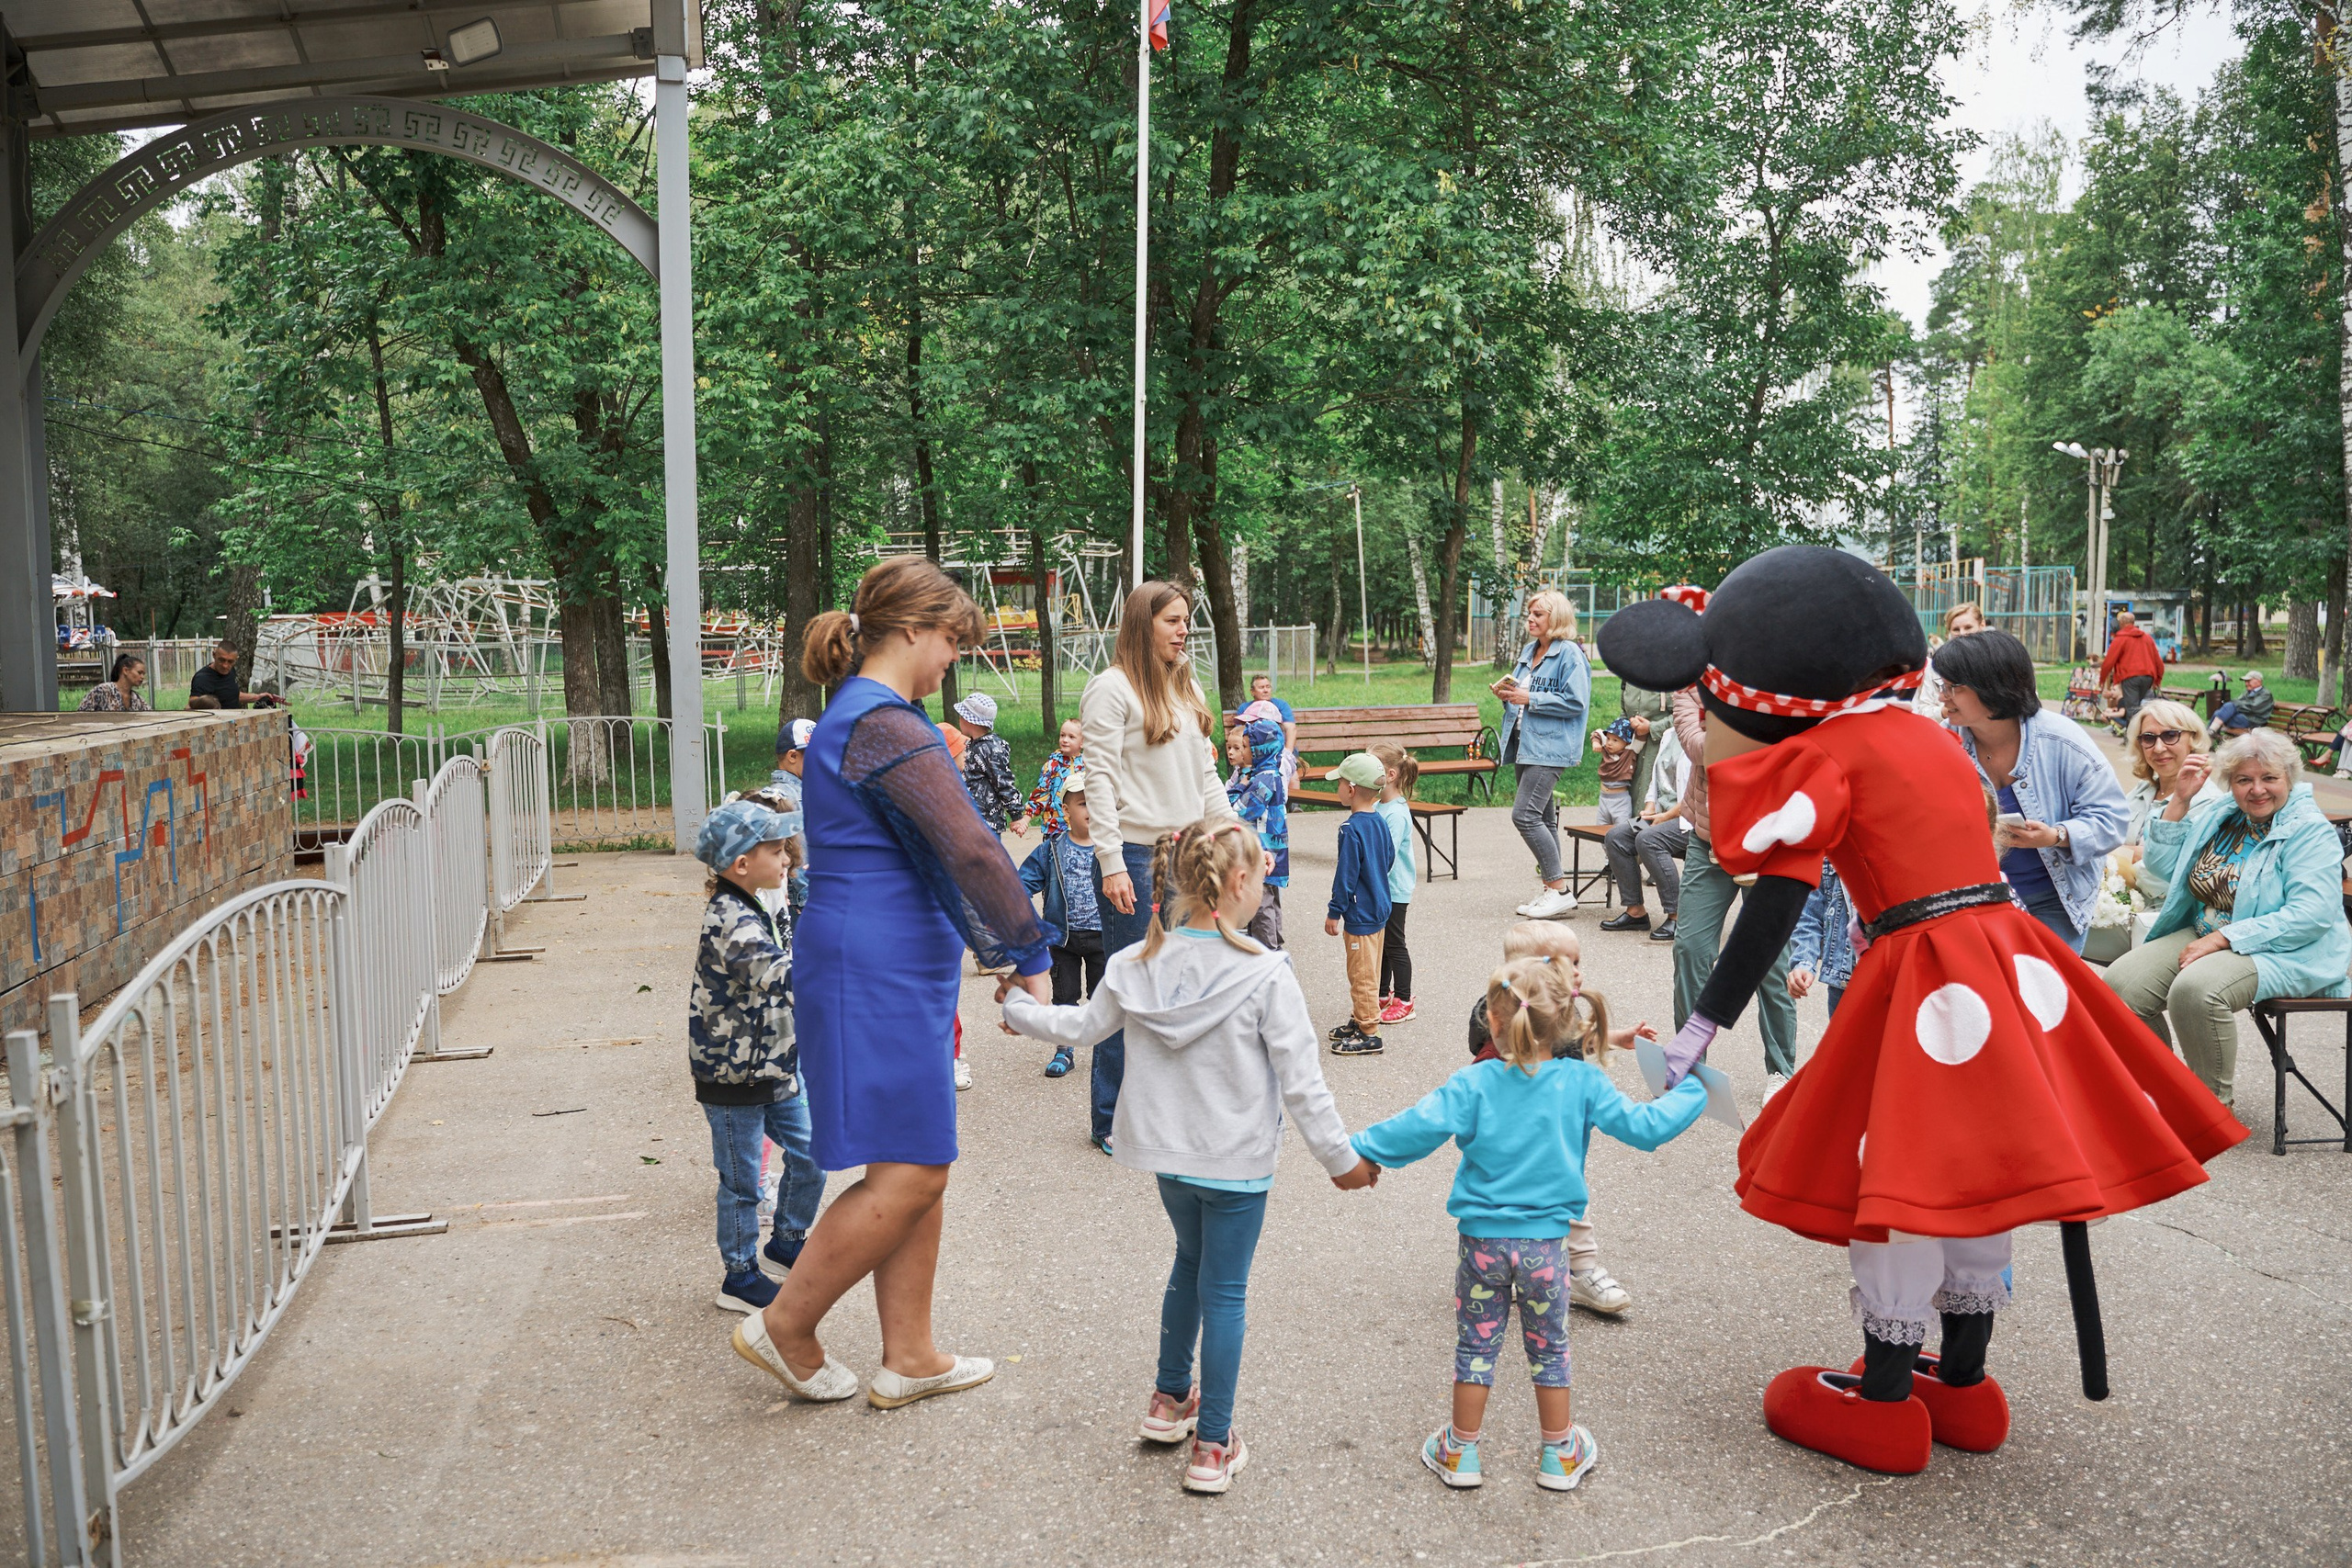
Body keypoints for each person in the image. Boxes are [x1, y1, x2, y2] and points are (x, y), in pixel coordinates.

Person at [1598, 545, 2244, 1477]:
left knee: (1895, 1175)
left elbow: (1774, 900)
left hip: (1920, 967)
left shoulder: (1821, 753)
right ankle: (1964, 1384)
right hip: (2004, 955)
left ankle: (1886, 1399)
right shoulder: (1927, 737)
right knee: (1978, 1165)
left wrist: (1703, 1026)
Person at [731, 556, 1053, 1412]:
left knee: (917, 1161)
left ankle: (910, 1353)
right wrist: (1030, 953)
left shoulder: (862, 716)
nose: (954, 657)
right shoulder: (886, 722)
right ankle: (785, 1322)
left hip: (881, 961)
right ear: (911, 630)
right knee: (910, 1171)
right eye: (951, 639)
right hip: (876, 965)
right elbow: (973, 847)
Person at [1000, 819, 1378, 1494]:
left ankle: (1169, 1397)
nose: (1263, 883)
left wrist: (1022, 1011)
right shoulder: (1266, 973)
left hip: (1168, 1157)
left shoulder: (1135, 963)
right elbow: (1303, 1081)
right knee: (1225, 1290)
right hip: (1236, 1161)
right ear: (1238, 883)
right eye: (1261, 874)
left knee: (1188, 1264)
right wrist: (1339, 1158)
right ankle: (1213, 1443)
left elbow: (1082, 1026)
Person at [1353, 955, 1703, 1495]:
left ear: (1492, 1023)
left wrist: (1357, 1153)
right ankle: (1559, 1453)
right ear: (1566, 1025)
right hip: (1546, 1248)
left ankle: (1461, 1452)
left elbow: (1413, 1129)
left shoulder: (1473, 1084)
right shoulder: (1582, 1082)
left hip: (1482, 1247)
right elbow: (1646, 1128)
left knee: (1475, 1345)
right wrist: (1695, 1090)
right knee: (1550, 1348)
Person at [2102, 729, 2352, 1108]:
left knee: (2196, 990)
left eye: (2269, 778)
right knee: (2121, 985)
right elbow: (2163, 869)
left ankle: (2208, 1108)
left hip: (2288, 948)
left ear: (2289, 778)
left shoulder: (2309, 831)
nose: (2257, 790)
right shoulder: (2223, 815)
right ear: (2230, 783)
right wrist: (2180, 801)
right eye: (2243, 780)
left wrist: (2224, 938)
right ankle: (2162, 1093)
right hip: (2210, 929)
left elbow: (2309, 917)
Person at [1080, 581, 1238, 1156]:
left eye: (1187, 619)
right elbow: (1098, 779)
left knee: (1186, 986)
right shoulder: (1112, 689)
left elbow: (1204, 777)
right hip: (1139, 859)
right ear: (1143, 623)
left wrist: (1237, 834)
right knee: (1131, 989)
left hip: (1191, 854)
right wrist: (1112, 862)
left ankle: (1171, 1109)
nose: (1183, 629)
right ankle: (1111, 1119)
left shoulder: (1185, 683)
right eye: (1173, 619)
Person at [1463, 921, 1659, 1316]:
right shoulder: (1498, 1009)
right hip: (1514, 1131)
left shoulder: (1547, 1006)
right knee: (1517, 1199)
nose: (1579, 971)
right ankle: (1519, 1269)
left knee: (1567, 1195)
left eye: (1578, 961)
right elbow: (1510, 1047)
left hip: (1556, 1131)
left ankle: (1580, 1269)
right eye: (1570, 962)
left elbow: (1567, 1036)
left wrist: (1615, 1036)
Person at [690, 800, 827, 1316]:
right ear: (741, 863)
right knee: (743, 1182)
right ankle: (740, 1274)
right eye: (775, 850)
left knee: (812, 1153)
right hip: (732, 1075)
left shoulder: (761, 903)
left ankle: (786, 1241)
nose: (786, 858)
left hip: (775, 1061)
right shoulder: (729, 917)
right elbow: (781, 975)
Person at [1933, 628, 2130, 955]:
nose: (1943, 696)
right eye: (1942, 686)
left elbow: (2112, 820)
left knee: (2042, 1000)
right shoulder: (1943, 742)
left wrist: (2056, 836)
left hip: (2052, 901)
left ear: (1992, 687)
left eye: (1953, 687)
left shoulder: (2063, 740)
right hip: (1973, 902)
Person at [1668, 640, 1800, 1095]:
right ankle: (1690, 1067)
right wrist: (1752, 722)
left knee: (1771, 966)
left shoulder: (1773, 678)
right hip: (1710, 842)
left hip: (1767, 845)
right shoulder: (1689, 688)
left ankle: (1781, 1070)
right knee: (1690, 950)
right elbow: (1700, 747)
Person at [1498, 589, 1593, 920]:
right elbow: (1523, 693)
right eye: (1530, 613)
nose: (1531, 619)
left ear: (1557, 617)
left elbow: (1577, 701)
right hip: (1525, 743)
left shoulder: (1570, 654)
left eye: (1539, 614)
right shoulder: (1531, 649)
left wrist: (1530, 699)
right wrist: (1508, 694)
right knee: (1543, 818)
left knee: (1524, 815)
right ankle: (1552, 891)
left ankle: (1560, 890)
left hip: (1550, 748)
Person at [1019, 768, 1107, 1080]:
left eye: (1096, 801)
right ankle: (1064, 1050)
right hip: (1063, 940)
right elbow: (1021, 883)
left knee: (1104, 997)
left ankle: (1107, 1052)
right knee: (1064, 996)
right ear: (1066, 811)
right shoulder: (1051, 849)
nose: (1091, 809)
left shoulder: (1110, 848)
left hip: (1103, 937)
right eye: (1083, 803)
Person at [1324, 753, 1396, 1055]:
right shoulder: (1379, 821)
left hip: (1360, 915)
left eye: (1339, 783)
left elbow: (1346, 876)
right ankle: (1360, 1017)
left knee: (1362, 975)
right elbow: (1388, 858)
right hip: (1379, 908)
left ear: (1351, 790)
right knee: (1368, 969)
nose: (1337, 788)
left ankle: (1369, 1031)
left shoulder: (1350, 828)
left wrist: (1334, 911)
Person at [2119, 700, 2222, 906]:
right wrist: (2131, 854)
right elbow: (2103, 837)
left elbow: (2159, 878)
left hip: (2162, 915)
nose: (2158, 748)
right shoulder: (2143, 790)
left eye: (2170, 735)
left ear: (2193, 738)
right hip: (2121, 902)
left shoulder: (2208, 801)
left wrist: (2116, 853)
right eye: (2149, 738)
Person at [1600, 725, 1686, 939]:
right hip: (1661, 814)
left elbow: (1699, 794)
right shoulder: (1669, 734)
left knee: (1648, 839)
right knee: (1616, 837)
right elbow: (1656, 779)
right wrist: (1650, 808)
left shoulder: (1701, 737)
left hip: (1689, 819)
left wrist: (1666, 817)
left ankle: (1677, 918)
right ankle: (1635, 912)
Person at [1225, 717, 1289, 950]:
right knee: (1270, 901)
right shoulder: (1269, 774)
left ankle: (1267, 951)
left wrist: (1239, 786)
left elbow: (1238, 810)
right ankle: (1274, 946)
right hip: (1274, 849)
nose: (1242, 751)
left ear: (1260, 749)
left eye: (1246, 747)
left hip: (1263, 850)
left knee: (1261, 904)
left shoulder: (1263, 779)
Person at [1369, 742, 1419, 1025]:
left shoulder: (1396, 813)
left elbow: (1385, 857)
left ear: (1389, 774)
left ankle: (1404, 999)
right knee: (1385, 942)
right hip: (1381, 887)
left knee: (1395, 944)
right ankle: (1381, 993)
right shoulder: (1378, 805)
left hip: (1393, 889)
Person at [950, 693, 1029, 834]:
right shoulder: (970, 745)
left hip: (987, 823)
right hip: (968, 821)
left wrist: (1016, 815)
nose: (959, 719)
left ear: (970, 720)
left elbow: (1003, 783)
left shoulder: (991, 749)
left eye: (962, 715)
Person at [1785, 859, 1854, 1018]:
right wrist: (1804, 962)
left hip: (1892, 981)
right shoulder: (1829, 852)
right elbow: (1809, 915)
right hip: (1844, 980)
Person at [770, 717, 816, 914]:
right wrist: (809, 899)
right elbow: (797, 852)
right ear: (792, 756)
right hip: (802, 903)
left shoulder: (794, 792)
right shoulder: (791, 798)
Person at [1911, 601, 1985, 720]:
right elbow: (1923, 710)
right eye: (1956, 629)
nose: (1962, 633)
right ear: (1948, 633)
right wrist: (1945, 711)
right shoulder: (1936, 666)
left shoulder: (1995, 660)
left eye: (1968, 627)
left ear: (1982, 625)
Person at [2097, 610, 2165, 729]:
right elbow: (2158, 662)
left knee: (2132, 709)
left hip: (2130, 677)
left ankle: (2131, 740)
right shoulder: (2147, 638)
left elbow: (2109, 661)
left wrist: (2102, 680)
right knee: (2136, 706)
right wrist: (2157, 680)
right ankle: (2136, 736)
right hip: (2148, 677)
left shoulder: (2121, 638)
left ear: (2121, 623)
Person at [1027, 717, 1085, 839]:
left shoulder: (1087, 765)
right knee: (1054, 857)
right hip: (1055, 828)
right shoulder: (1052, 765)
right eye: (1062, 735)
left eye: (1071, 737)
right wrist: (1026, 817)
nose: (1065, 740)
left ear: (1083, 742)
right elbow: (1042, 793)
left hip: (1082, 827)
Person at [190, 641, 275, 710]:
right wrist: (208, 703)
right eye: (221, 660)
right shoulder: (202, 678)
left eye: (230, 662)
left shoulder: (231, 671)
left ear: (236, 660)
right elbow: (191, 705)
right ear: (214, 655)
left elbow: (232, 695)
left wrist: (257, 697)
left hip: (234, 723)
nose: (225, 665)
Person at [1590, 717, 1637, 831]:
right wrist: (1596, 742)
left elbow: (1640, 737)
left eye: (1615, 740)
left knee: (1620, 833)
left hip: (1620, 801)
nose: (1609, 743)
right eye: (1609, 739)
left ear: (1626, 742)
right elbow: (1597, 733)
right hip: (1603, 799)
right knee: (1601, 832)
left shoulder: (1630, 751)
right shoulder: (1606, 748)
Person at [76, 652, 151, 713]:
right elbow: (80, 715)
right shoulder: (102, 691)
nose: (142, 677)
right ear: (125, 671)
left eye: (143, 674)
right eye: (139, 673)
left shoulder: (137, 699)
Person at [2213, 671, 2274, 737]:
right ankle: (2210, 733)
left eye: (2248, 681)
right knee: (2220, 713)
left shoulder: (2265, 694)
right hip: (2244, 717)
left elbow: (2253, 707)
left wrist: (2235, 705)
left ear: (2258, 681)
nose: (2246, 684)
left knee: (2221, 714)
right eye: (2245, 681)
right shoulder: (2248, 692)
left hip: (2254, 721)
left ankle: (2209, 735)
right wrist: (2235, 705)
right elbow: (2239, 703)